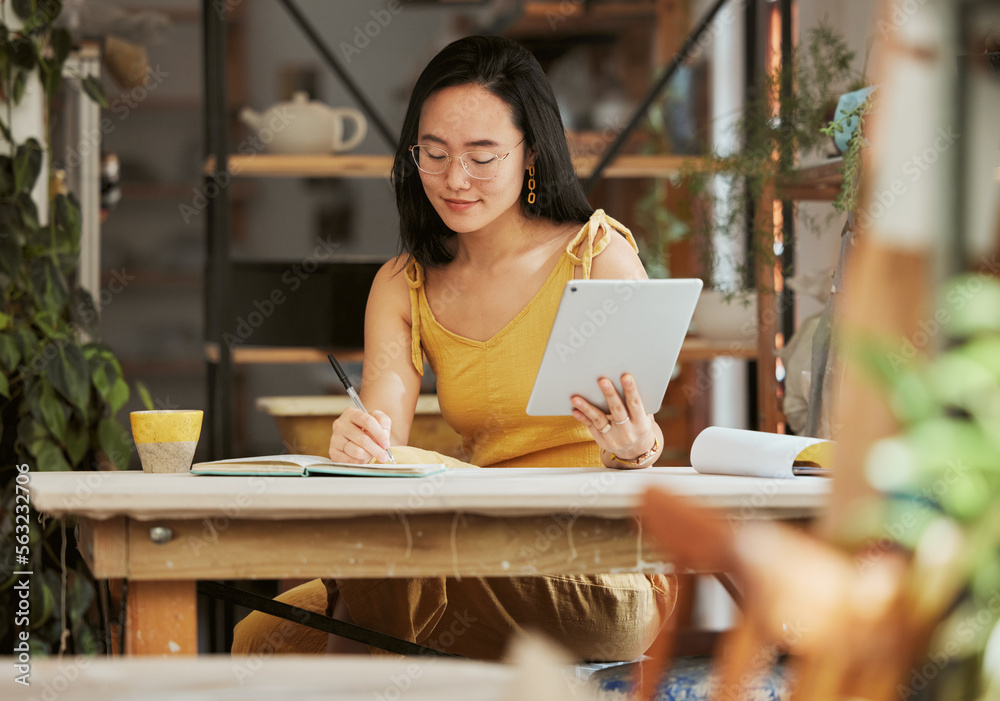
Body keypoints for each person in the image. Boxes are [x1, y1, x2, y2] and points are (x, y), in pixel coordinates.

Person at [233, 34, 674, 662]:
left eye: (481, 156)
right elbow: (386, 433)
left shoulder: (597, 257)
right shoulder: (402, 284)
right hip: (469, 553)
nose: (454, 179)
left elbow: (641, 434)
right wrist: (361, 444)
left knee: (367, 608)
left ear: (531, 154)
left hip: (600, 571)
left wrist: (636, 451)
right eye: (433, 154)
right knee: (262, 637)